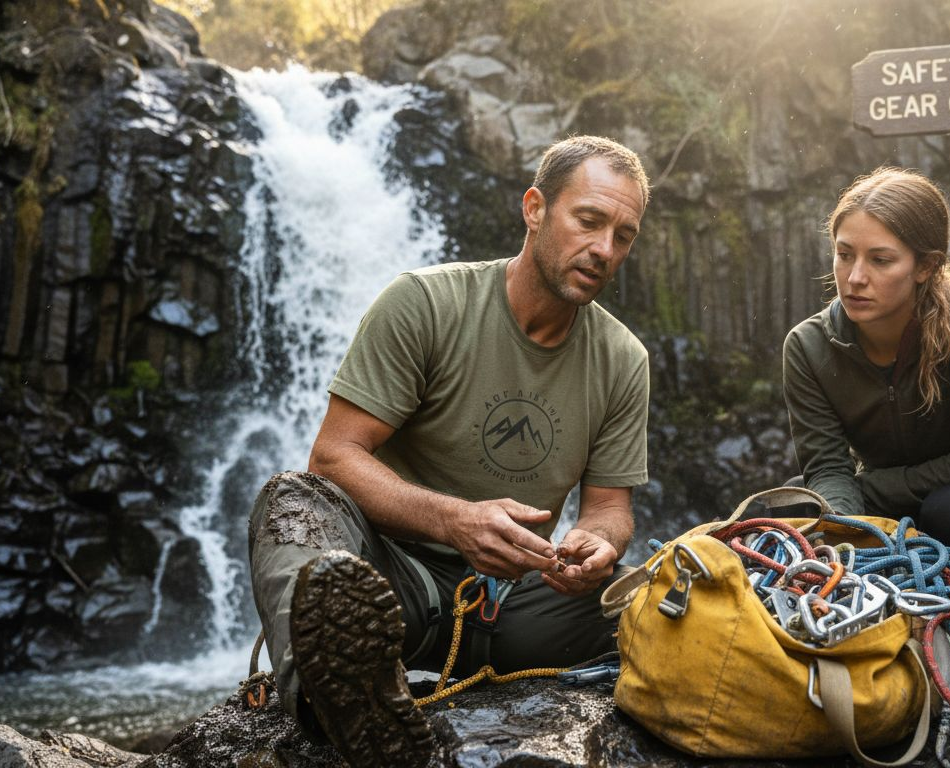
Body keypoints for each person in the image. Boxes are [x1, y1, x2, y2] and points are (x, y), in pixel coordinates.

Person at [246, 135, 652, 766]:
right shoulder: (426, 304)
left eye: (623, 236)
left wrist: (598, 544)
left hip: (520, 600)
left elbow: (609, 508)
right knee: (292, 500)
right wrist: (454, 521)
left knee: (664, 603)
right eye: (589, 221)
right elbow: (332, 458)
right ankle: (336, 701)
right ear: (535, 208)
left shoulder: (623, 359)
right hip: (391, 582)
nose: (603, 249)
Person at [781, 167, 950, 619]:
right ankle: (849, 616)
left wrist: (869, 487)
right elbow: (827, 465)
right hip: (877, 508)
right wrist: (847, 534)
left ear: (926, 266)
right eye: (844, 254)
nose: (854, 278)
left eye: (880, 260)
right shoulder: (808, 346)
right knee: (798, 503)